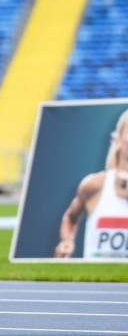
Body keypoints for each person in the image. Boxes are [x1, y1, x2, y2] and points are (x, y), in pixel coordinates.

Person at [55, 108, 128, 259]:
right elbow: (70, 217)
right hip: (95, 279)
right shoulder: (94, 185)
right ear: (118, 139)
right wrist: (67, 241)